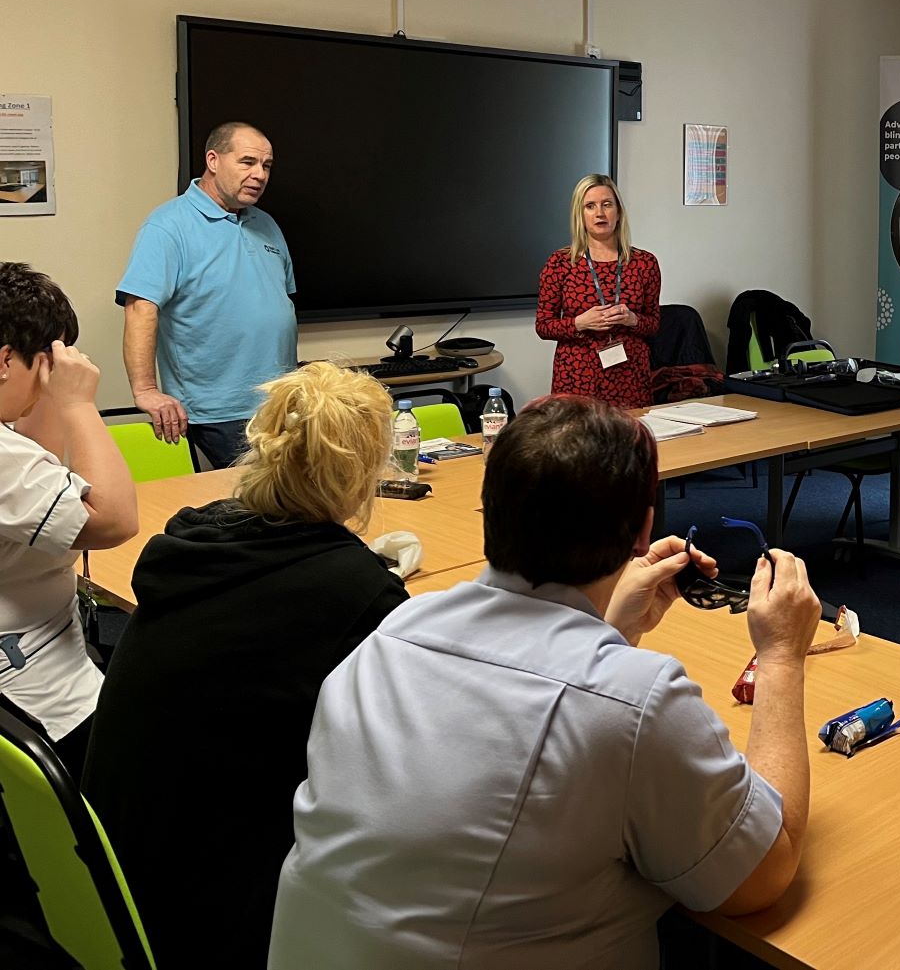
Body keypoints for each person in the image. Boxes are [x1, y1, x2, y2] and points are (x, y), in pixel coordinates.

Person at [268, 395, 822, 969]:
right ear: (644, 531)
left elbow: (536, 709)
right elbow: (761, 876)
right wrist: (782, 655)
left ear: (489, 512)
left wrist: (609, 631)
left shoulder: (392, 633)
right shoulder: (636, 702)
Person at [81, 361, 408, 969]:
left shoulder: (193, 542)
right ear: (367, 473)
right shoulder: (354, 590)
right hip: (213, 915)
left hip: (118, 878)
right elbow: (401, 773)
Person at [0, 264, 136, 778]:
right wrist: (79, 404)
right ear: (6, 360)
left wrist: (47, 387)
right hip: (43, 703)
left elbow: (40, 461)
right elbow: (115, 521)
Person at [116, 121, 296, 470]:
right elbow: (140, 309)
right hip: (221, 411)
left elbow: (279, 303)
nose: (259, 174)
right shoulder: (168, 225)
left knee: (293, 509)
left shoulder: (266, 224)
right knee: (265, 511)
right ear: (213, 160)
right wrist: (145, 390)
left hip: (279, 403)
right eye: (247, 162)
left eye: (266, 166)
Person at [535, 174, 662, 408]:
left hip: (629, 377)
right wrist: (580, 323)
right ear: (580, 215)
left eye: (607, 204)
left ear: (619, 212)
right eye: (590, 206)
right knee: (578, 442)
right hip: (576, 377)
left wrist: (633, 319)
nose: (600, 213)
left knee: (628, 441)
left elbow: (653, 324)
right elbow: (543, 326)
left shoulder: (645, 263)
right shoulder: (560, 263)